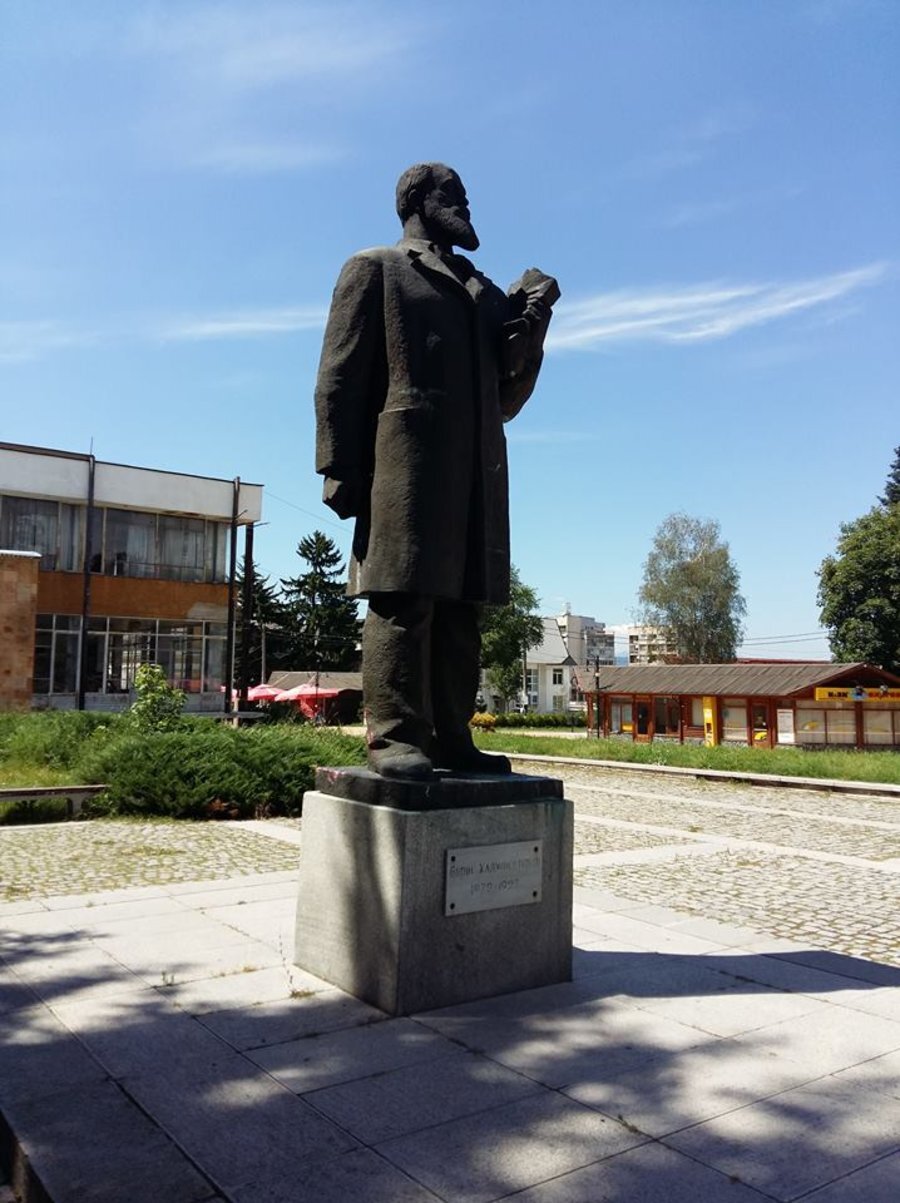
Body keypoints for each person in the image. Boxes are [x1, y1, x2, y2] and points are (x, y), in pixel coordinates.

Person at [315, 162, 558, 779]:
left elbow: (507, 397)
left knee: (462, 607)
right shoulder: (377, 268)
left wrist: (534, 323)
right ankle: (395, 737)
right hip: (406, 461)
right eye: (455, 195)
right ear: (418, 200)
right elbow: (340, 374)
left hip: (477, 465)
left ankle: (453, 737)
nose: (466, 207)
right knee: (404, 598)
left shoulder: (486, 294)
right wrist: (338, 465)